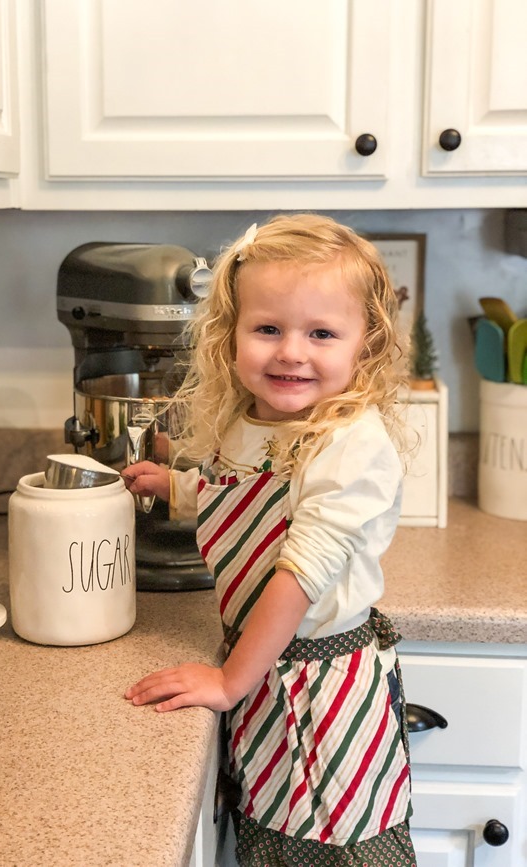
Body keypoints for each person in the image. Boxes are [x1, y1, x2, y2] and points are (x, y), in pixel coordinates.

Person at [122, 214, 417, 866]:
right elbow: (246, 492)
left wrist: (229, 682)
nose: (290, 351)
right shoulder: (251, 418)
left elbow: (299, 574)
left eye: (320, 333)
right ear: (230, 336)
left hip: (321, 687)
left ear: (363, 343)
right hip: (269, 673)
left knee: (325, 849)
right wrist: (174, 486)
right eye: (267, 328)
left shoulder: (349, 440)